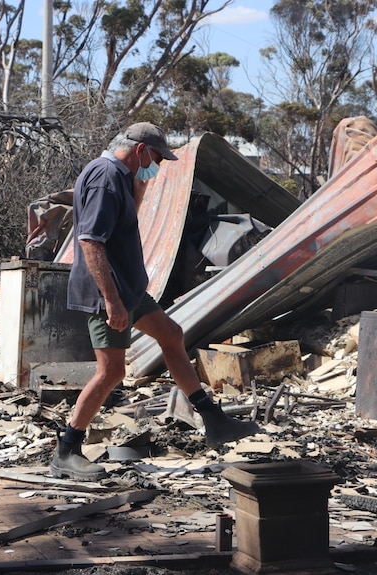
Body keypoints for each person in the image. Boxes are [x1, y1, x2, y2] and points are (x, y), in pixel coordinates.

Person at [51, 122, 261, 481]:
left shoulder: (121, 176)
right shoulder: (104, 176)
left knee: (171, 334)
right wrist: (112, 301)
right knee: (111, 372)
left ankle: (214, 420)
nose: (159, 167)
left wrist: (140, 184)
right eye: (157, 159)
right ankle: (66, 450)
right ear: (140, 151)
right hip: (110, 292)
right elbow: (90, 242)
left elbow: (125, 220)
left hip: (128, 288)